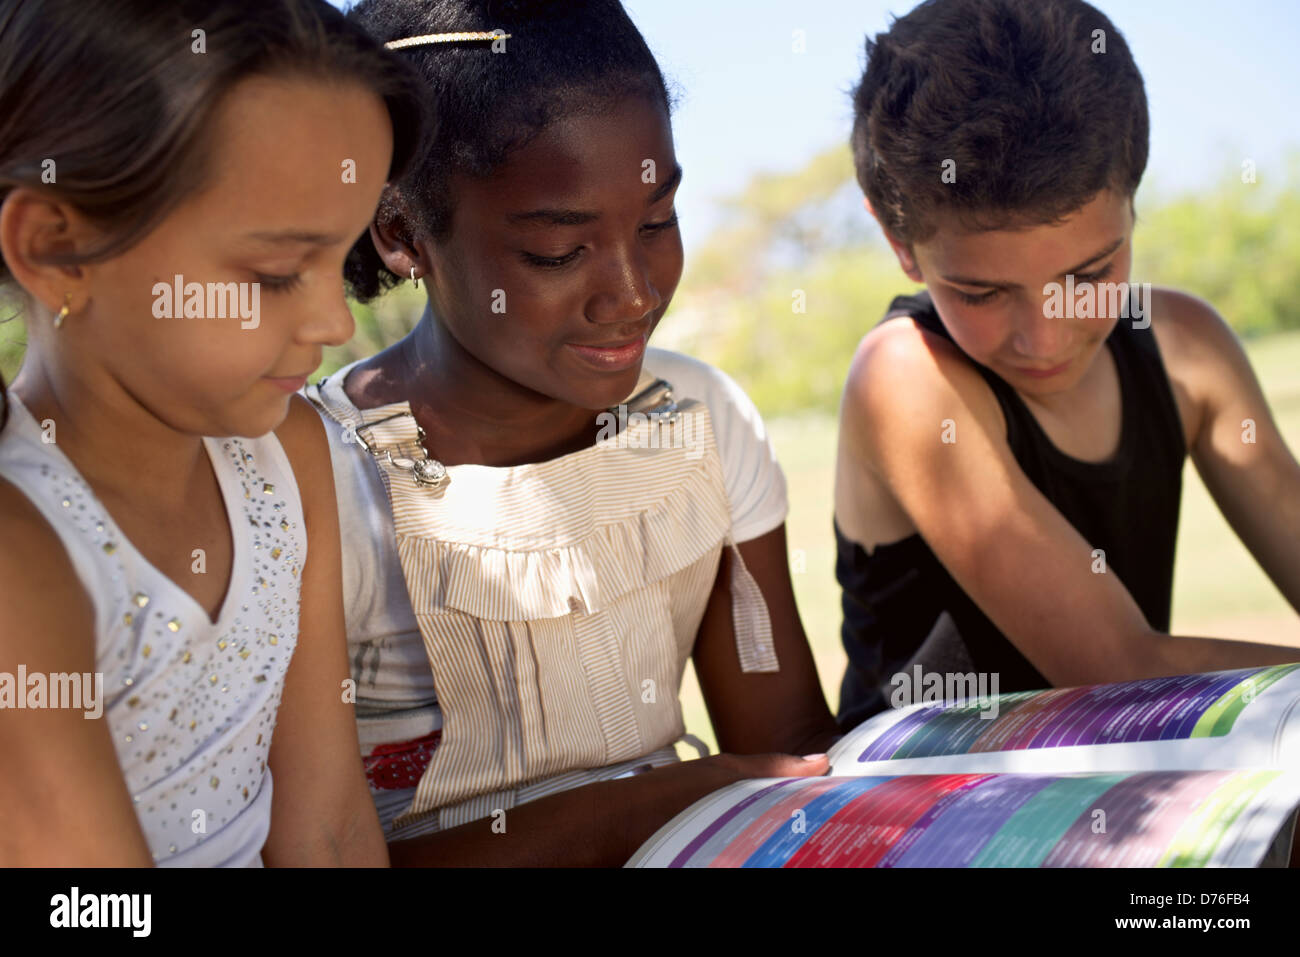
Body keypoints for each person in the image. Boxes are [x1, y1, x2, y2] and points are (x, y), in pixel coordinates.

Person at [307, 0, 840, 866]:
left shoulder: (695, 420)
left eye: (657, 220)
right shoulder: (320, 478)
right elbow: (309, 851)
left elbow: (790, 761)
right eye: (558, 254)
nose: (631, 293)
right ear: (403, 232)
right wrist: (640, 808)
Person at [0, 0, 424, 865]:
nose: (334, 323)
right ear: (56, 249)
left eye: (340, 260)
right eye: (275, 275)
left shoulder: (286, 454)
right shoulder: (23, 554)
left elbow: (330, 825)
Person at [835, 0, 1300, 730]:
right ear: (900, 243)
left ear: (1133, 205)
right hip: (919, 809)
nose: (1044, 338)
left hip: (1128, 770)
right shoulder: (906, 375)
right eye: (982, 291)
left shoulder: (1187, 348)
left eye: (1087, 276)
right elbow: (1117, 666)